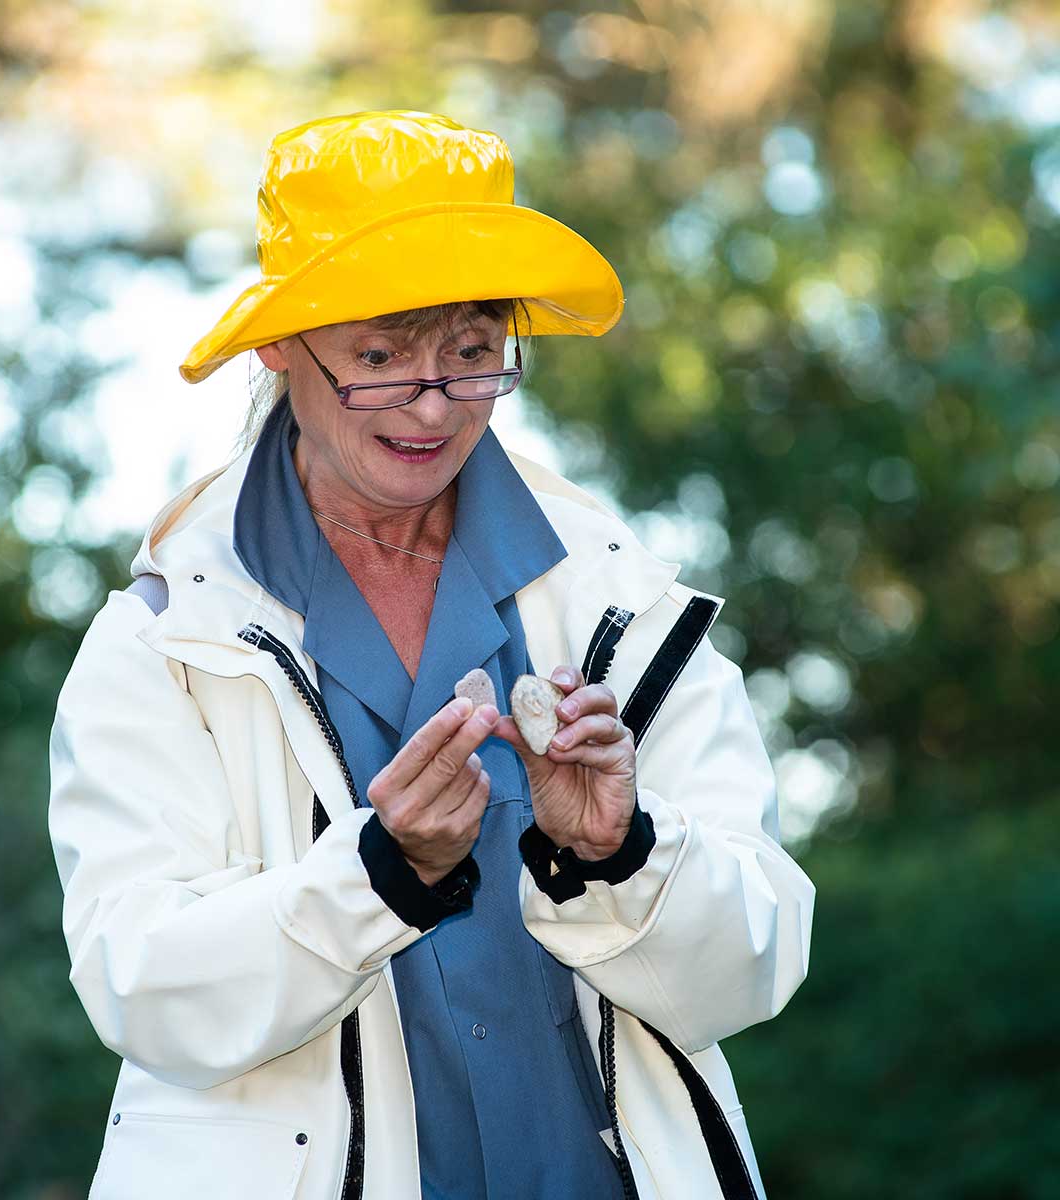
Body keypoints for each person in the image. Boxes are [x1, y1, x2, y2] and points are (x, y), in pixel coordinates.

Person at [48, 110, 815, 1200]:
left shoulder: (619, 595)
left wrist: (622, 855)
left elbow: (758, 959)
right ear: (277, 346)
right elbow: (143, 988)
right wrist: (377, 877)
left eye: (470, 354)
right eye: (378, 357)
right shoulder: (163, 639)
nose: (429, 403)